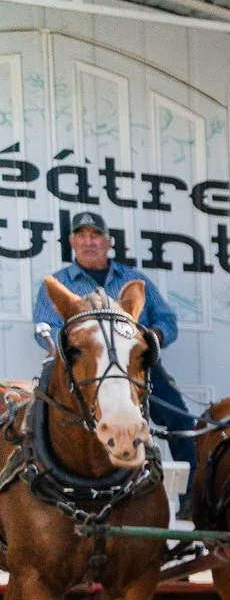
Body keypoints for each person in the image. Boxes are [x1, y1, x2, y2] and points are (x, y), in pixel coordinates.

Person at [34, 209, 194, 492]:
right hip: (82, 367)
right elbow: (44, 327)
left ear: (108, 242)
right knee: (40, 419)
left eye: (96, 235)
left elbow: (166, 320)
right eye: (81, 235)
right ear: (72, 242)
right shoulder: (60, 284)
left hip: (135, 365)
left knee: (180, 419)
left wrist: (150, 338)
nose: (89, 241)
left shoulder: (132, 277)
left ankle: (193, 495)